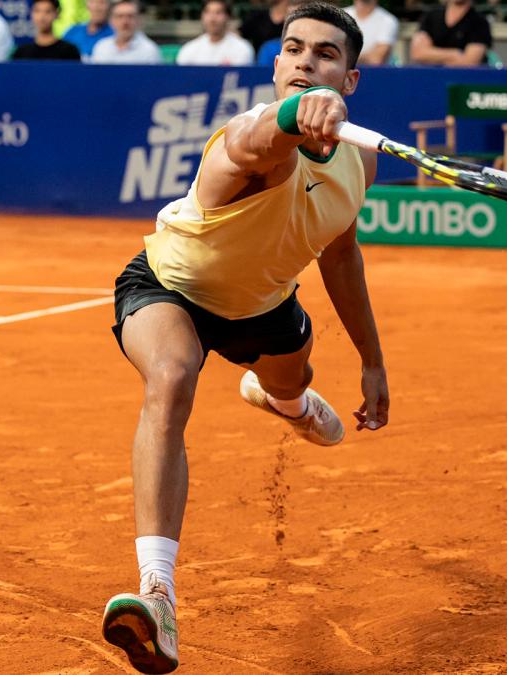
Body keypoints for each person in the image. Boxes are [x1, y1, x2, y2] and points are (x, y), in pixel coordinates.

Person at [100, 3, 388, 672]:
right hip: (170, 290)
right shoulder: (249, 138)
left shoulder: (359, 165)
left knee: (292, 381)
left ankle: (282, 399)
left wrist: (372, 358)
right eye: (293, 49)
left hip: (266, 306)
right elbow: (267, 135)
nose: (305, 61)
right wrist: (295, 115)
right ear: (277, 63)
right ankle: (159, 592)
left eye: (324, 53)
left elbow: (341, 255)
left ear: (350, 79)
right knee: (172, 376)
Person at [409, 0, 492, 67]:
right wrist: (454, 54)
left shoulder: (479, 22)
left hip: (462, 83)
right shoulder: (431, 17)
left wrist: (433, 57)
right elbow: (418, 53)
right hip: (432, 80)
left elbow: (470, 62)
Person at [175, 0, 252, 66]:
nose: (212, 18)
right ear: (202, 16)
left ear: (228, 17)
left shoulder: (242, 48)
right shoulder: (189, 49)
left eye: (218, 13)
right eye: (208, 12)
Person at [90, 0, 160, 64]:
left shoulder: (149, 50)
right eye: (120, 16)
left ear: (138, 20)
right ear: (111, 21)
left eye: (130, 16)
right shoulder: (101, 47)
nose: (125, 22)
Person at [12, 0, 80, 59]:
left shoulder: (69, 52)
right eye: (37, 11)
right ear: (31, 14)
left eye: (48, 12)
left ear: (56, 14)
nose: (41, 17)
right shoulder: (21, 53)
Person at [343, 0, 397, 66]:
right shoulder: (340, 16)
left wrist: (342, 57)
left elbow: (377, 59)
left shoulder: (388, 21)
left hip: (375, 75)